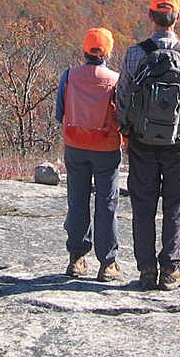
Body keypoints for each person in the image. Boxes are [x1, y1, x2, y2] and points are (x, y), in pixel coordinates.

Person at [116, 0, 180, 291]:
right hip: (179, 142)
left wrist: (126, 132)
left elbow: (123, 96)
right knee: (176, 203)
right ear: (177, 17)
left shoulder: (134, 54)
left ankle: (145, 271)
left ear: (150, 15)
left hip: (142, 141)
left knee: (143, 205)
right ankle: (171, 269)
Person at [55, 27, 123, 282]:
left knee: (77, 200)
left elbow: (59, 113)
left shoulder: (69, 76)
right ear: (108, 50)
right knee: (106, 204)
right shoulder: (115, 79)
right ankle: (107, 263)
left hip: (75, 145)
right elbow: (122, 115)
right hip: (105, 148)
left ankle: (76, 259)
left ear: (85, 49)